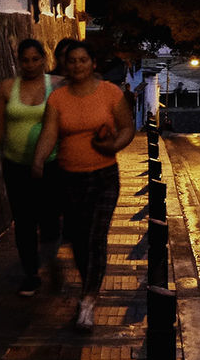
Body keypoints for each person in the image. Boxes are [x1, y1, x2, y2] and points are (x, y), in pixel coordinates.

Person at [31, 40, 136, 332]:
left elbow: (128, 127)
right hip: (69, 177)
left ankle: (89, 300)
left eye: (83, 60)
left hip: (104, 176)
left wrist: (114, 144)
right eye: (72, 61)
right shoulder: (58, 99)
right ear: (66, 64)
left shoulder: (110, 93)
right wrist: (38, 160)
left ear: (93, 64)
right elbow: (50, 133)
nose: (77, 65)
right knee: (78, 239)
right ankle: (88, 287)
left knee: (96, 237)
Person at [0, 38, 62, 297]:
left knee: (49, 219)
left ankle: (51, 258)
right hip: (15, 165)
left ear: (44, 59)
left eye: (35, 59)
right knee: (24, 221)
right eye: (25, 60)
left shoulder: (57, 85)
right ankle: (31, 274)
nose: (30, 65)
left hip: (50, 165)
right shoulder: (7, 88)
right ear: (19, 61)